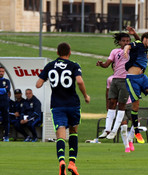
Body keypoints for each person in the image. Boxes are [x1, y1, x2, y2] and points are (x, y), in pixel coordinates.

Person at [36, 42, 90, 175]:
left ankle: (61, 161)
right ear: (69, 52)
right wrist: (85, 95)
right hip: (73, 104)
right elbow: (79, 81)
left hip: (57, 105)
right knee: (73, 133)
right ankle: (72, 163)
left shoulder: (50, 66)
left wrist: (49, 79)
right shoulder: (74, 65)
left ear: (57, 53)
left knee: (60, 135)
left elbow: (38, 84)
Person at [96, 33, 131, 140]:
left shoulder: (132, 51)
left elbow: (141, 46)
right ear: (119, 42)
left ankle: (114, 130)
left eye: (128, 41)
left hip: (125, 80)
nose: (126, 43)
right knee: (112, 103)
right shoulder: (115, 51)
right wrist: (101, 64)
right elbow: (107, 64)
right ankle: (107, 130)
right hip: (115, 79)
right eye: (124, 41)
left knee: (121, 105)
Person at [0, 66, 11, 142]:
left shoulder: (7, 81)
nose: (1, 73)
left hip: (4, 103)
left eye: (2, 71)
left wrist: (4, 90)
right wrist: (3, 90)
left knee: (6, 120)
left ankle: (6, 136)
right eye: (0, 71)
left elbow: (7, 89)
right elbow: (4, 90)